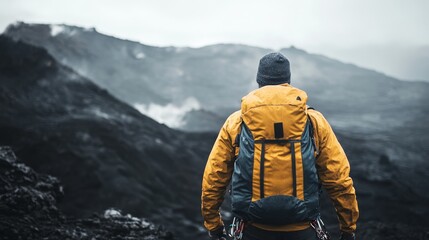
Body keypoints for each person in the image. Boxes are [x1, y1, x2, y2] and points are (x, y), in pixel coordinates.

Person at [201, 52, 359, 240]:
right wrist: (348, 228)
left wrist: (214, 225)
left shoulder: (236, 122)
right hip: (303, 230)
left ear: (259, 81)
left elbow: (214, 177)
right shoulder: (314, 122)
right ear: (287, 80)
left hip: (251, 229)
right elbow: (338, 178)